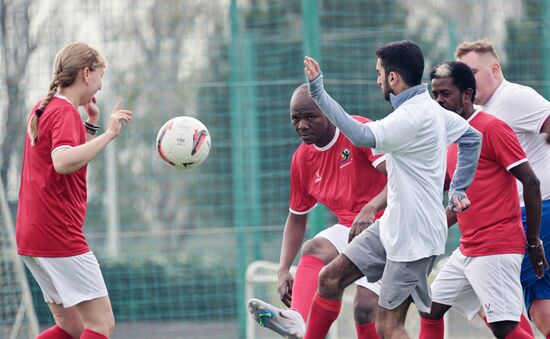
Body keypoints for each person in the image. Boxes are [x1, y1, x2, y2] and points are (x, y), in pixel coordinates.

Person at [301, 40, 482, 339]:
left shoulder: (410, 117)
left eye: (379, 73)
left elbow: (359, 134)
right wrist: (459, 188)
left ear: (393, 78)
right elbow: (472, 137)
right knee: (330, 279)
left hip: (416, 240)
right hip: (393, 226)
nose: (377, 80)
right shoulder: (426, 108)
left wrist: (318, 92)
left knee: (388, 326)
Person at [247, 83, 388, 339]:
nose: (301, 125)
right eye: (295, 119)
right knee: (313, 248)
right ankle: (295, 318)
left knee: (364, 309)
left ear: (329, 113)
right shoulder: (302, 159)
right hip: (351, 230)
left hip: (389, 225)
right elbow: (297, 216)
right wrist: (283, 269)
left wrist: (372, 207)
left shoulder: (357, 131)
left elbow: (402, 178)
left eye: (310, 117)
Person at [419, 60, 546, 339]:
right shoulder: (449, 135)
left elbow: (531, 181)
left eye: (446, 94)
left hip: (496, 247)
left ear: (467, 94)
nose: (439, 100)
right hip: (468, 248)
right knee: (429, 308)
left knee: (504, 326)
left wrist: (534, 242)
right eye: (435, 94)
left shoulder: (491, 128)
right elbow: (456, 194)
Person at [16, 42, 132, 339]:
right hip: (58, 235)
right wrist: (108, 134)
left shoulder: (46, 108)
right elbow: (62, 162)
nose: (101, 86)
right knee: (101, 325)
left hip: (33, 233)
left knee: (72, 327)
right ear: (86, 73)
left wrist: (91, 125)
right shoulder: (65, 113)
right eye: (100, 75)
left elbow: (64, 160)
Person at [456, 40, 550, 337]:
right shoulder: (478, 115)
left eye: (473, 71)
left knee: (484, 290)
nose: (467, 80)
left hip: (538, 210)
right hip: (523, 215)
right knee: (540, 309)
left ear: (494, 69)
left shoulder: (513, 97)